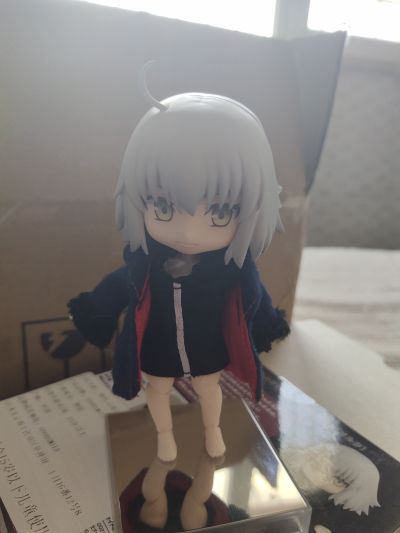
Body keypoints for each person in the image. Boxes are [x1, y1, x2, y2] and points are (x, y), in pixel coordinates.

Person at [68, 79, 290, 462]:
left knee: (208, 388)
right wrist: (97, 311)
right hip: (157, 345)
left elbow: (256, 297)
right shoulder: (144, 263)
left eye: (220, 212)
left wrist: (267, 325)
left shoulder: (231, 269)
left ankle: (212, 431)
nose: (188, 233)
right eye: (163, 207)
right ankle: (165, 437)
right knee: (157, 390)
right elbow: (117, 286)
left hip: (207, 345)